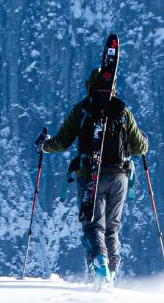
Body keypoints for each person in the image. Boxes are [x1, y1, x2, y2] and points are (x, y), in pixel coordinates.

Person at [37, 67, 148, 282]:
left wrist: (43, 145)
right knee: (112, 227)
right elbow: (139, 147)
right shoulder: (122, 111)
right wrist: (144, 140)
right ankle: (111, 273)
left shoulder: (82, 110)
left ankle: (100, 262)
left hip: (91, 174)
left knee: (93, 224)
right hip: (120, 177)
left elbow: (61, 142)